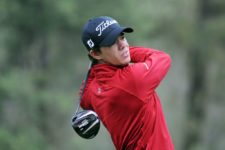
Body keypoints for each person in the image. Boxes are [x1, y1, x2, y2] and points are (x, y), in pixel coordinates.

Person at [79, 16, 174, 150]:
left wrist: (121, 53)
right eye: (112, 42)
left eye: (122, 37)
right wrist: (128, 52)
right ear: (95, 53)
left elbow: (85, 100)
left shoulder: (92, 90)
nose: (123, 44)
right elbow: (163, 58)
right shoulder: (132, 80)